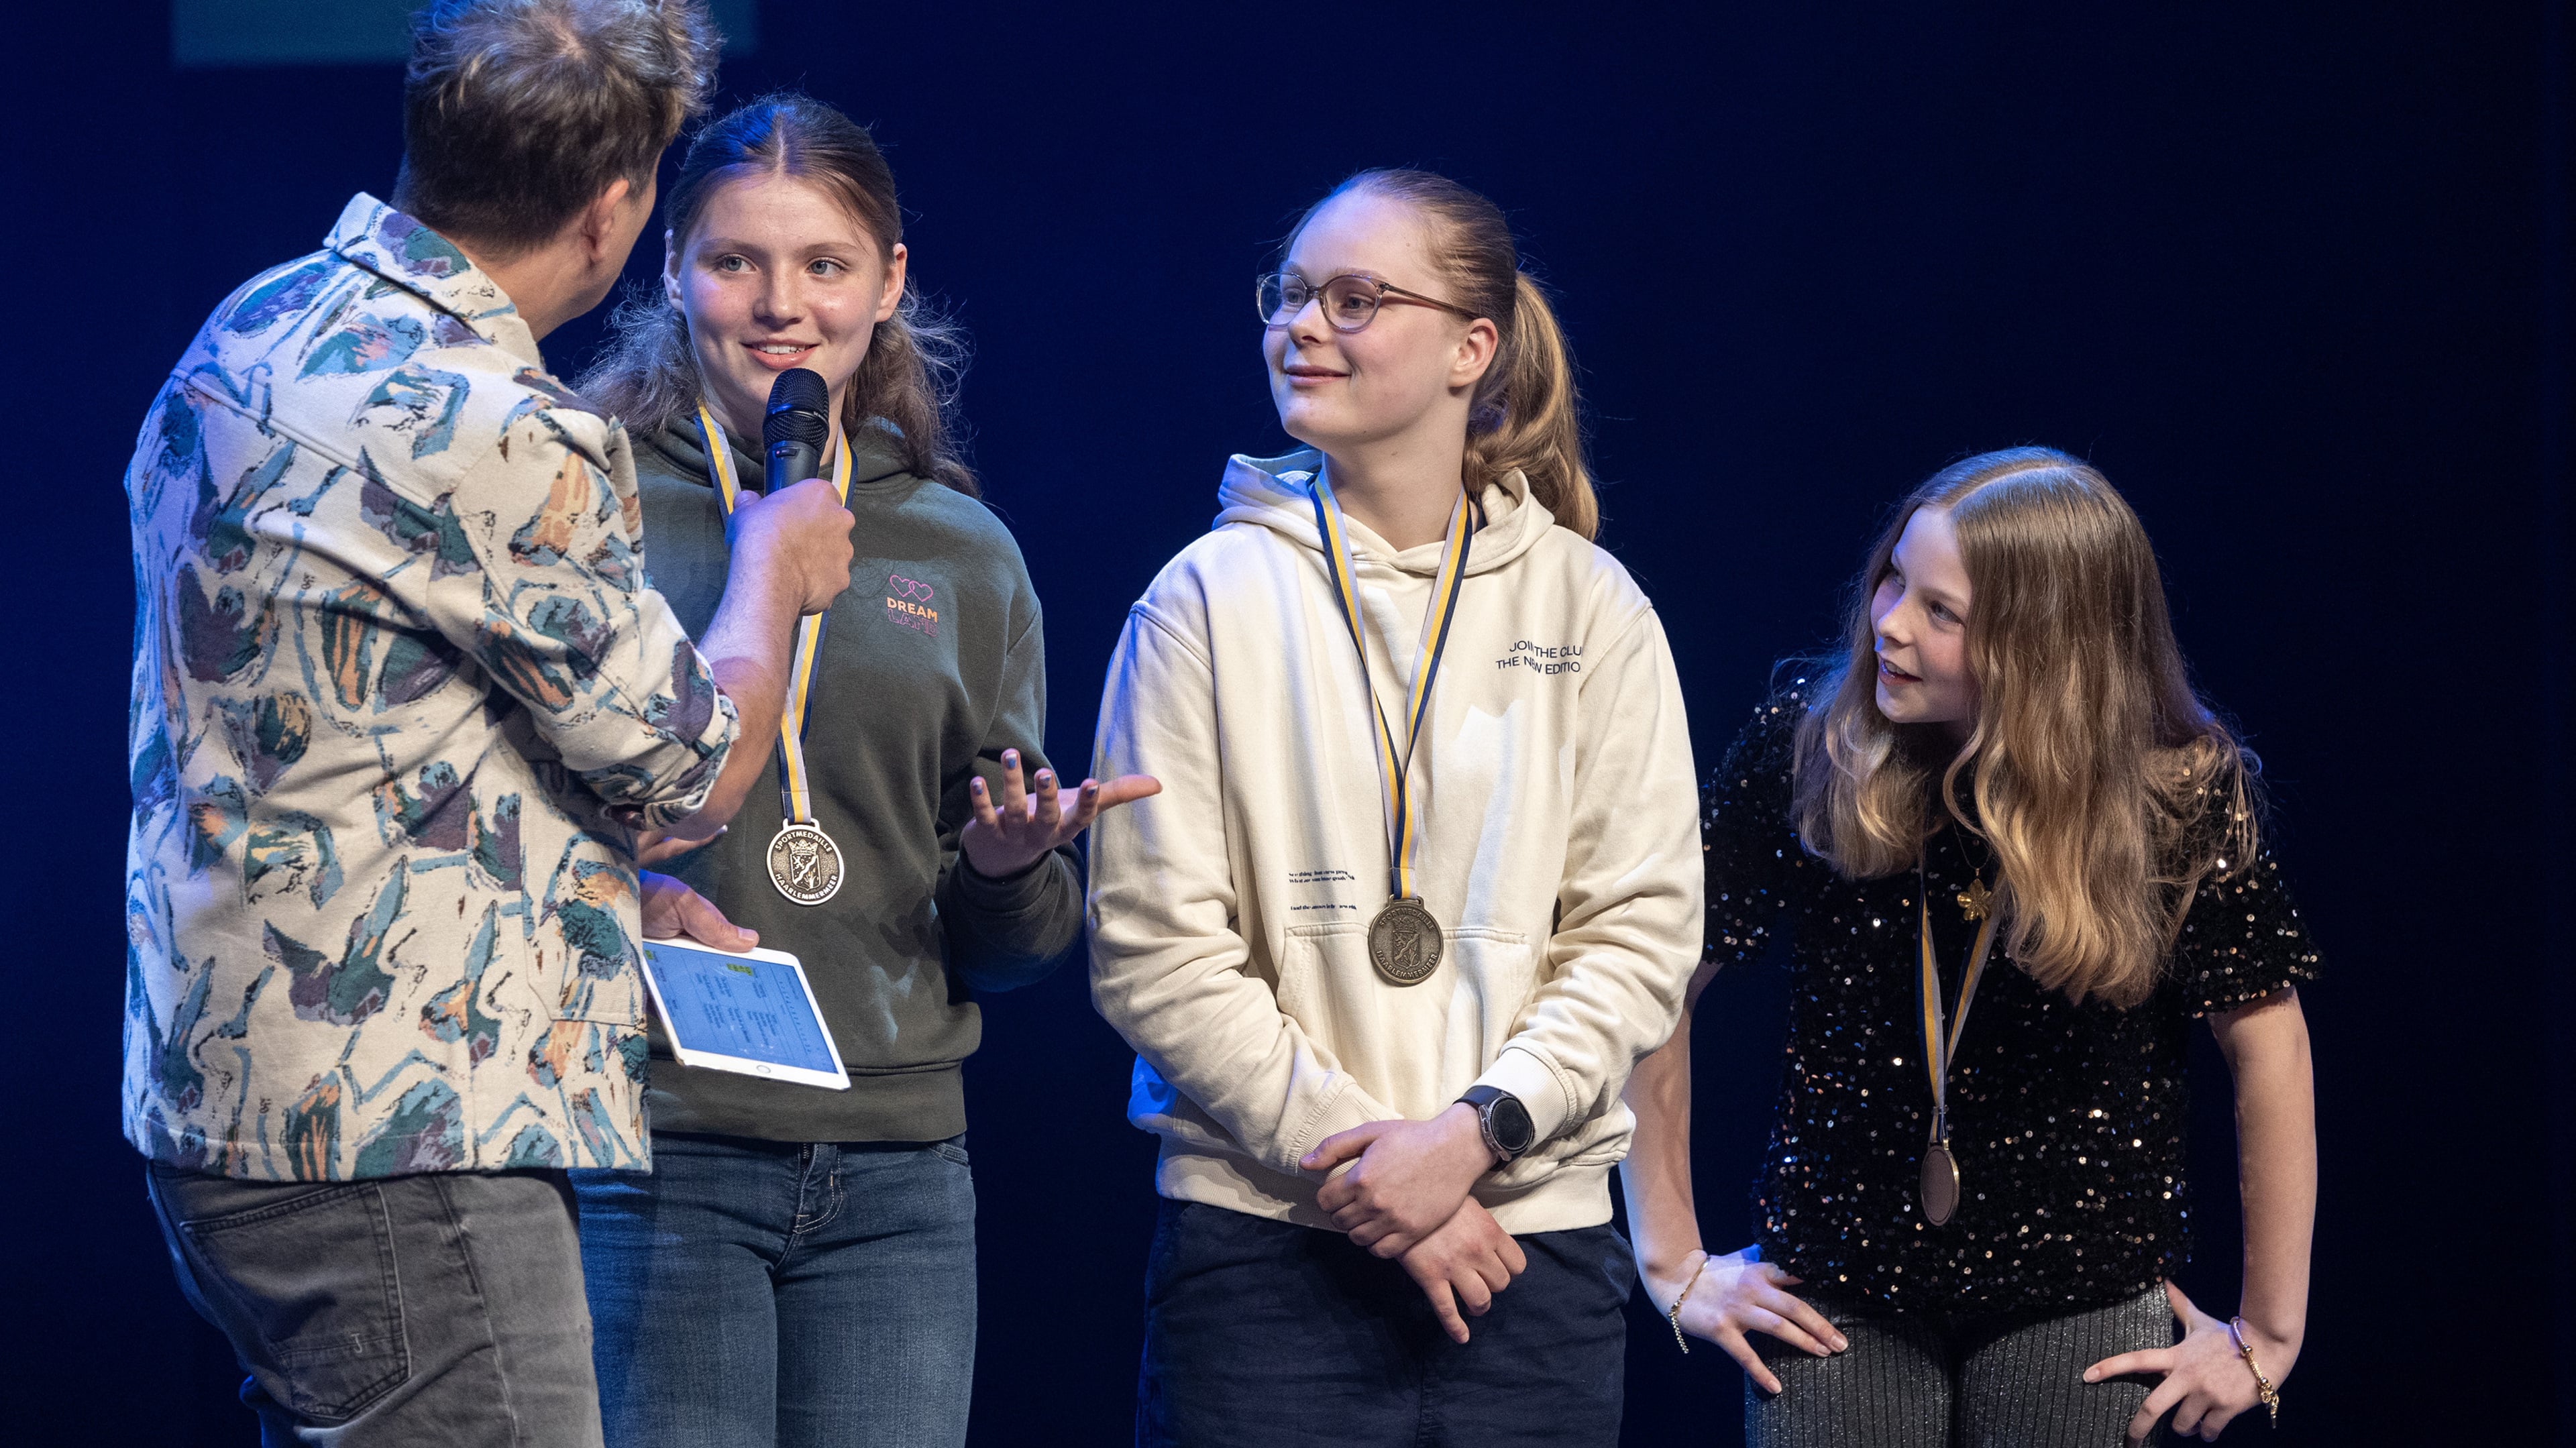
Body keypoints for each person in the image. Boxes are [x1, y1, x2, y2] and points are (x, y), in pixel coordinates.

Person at [122, 4, 857, 1443]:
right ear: (613, 210)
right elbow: (696, 766)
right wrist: (772, 571)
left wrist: (598, 892)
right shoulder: (498, 424)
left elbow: (335, 724)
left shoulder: (258, 324)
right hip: (399, 1141)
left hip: (231, 1094)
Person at [565, 95, 1155, 1448]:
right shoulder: (581, 503)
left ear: (887, 282)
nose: (782, 305)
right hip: (656, 1141)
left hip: (897, 1170)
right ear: (670, 269)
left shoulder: (963, 551)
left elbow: (1005, 949)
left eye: (825, 265)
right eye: (734, 262)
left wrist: (1010, 873)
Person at [1086, 168, 1703, 1447]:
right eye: (1292, 293)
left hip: (1531, 1267)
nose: (1304, 325)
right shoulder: (1202, 600)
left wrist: (1474, 1136)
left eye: (1357, 299)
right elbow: (1156, 950)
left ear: (1473, 348)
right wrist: (1380, 1170)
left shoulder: (1592, 608)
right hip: (1265, 1260)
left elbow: (1639, 936)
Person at [1619, 449, 2319, 1447]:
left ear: (2046, 648)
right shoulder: (1812, 745)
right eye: (1894, 579)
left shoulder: (2171, 793)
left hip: (2080, 1287)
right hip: (1842, 1285)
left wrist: (2268, 1334)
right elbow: (1656, 983)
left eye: (1940, 611)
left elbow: (2269, 1043)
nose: (1889, 621)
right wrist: (1673, 1262)